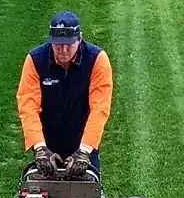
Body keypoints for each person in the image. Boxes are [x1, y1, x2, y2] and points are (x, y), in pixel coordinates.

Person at [16, 10, 113, 178]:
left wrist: (84, 151)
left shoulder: (97, 60)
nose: (63, 50)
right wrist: (40, 148)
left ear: (79, 38)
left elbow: (99, 108)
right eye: (58, 44)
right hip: (48, 146)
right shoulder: (35, 60)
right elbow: (28, 106)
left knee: (89, 197)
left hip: (84, 145)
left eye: (69, 44)